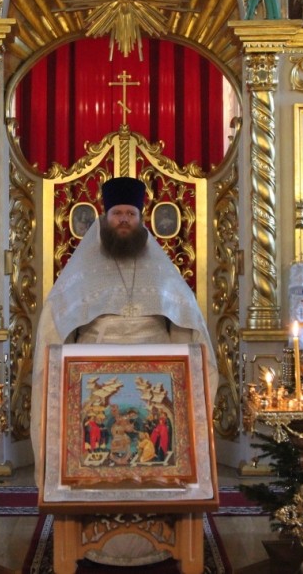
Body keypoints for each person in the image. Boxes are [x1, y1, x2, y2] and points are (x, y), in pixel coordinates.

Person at [30, 176, 215, 565]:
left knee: (154, 454)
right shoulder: (82, 270)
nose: (125, 220)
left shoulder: (161, 269)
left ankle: (159, 534)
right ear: (105, 217)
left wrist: (190, 370)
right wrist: (59, 374)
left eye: (131, 213)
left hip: (156, 380)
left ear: (142, 219)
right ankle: (92, 535)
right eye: (118, 214)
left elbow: (187, 326)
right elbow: (55, 329)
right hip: (93, 382)